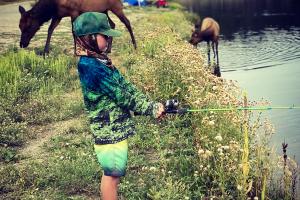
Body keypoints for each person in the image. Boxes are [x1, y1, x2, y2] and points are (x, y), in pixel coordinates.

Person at [72, 12, 165, 200]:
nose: (107, 40)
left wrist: (150, 104)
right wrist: (151, 109)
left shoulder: (99, 60)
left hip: (114, 128)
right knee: (112, 176)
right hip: (108, 130)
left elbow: (125, 86)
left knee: (114, 173)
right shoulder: (91, 66)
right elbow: (122, 96)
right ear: (89, 38)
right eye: (104, 36)